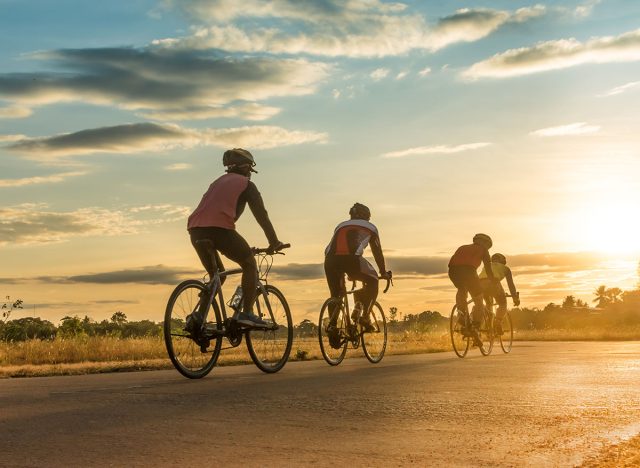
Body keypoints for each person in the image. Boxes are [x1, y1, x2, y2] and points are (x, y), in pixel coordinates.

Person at [187, 148, 286, 329]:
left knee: (217, 276)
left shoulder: (217, 182)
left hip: (195, 230)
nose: (250, 174)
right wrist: (274, 242)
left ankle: (198, 318)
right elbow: (261, 216)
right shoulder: (246, 184)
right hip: (220, 230)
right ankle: (246, 313)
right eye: (250, 170)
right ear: (246, 167)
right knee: (249, 263)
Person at [324, 203, 391, 334]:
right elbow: (377, 252)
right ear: (367, 217)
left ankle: (332, 328)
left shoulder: (340, 225)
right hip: (352, 260)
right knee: (373, 281)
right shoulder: (371, 227)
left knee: (336, 294)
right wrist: (383, 272)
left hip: (330, 260)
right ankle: (365, 316)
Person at [448, 233, 494, 344]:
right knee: (479, 300)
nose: (488, 248)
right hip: (469, 271)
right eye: (488, 246)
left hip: (453, 271)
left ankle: (461, 313)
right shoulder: (483, 250)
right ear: (485, 243)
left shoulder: (462, 247)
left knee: (461, 289)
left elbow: (453, 262)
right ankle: (476, 326)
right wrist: (492, 282)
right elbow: (488, 268)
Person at [479, 253, 520, 334]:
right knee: (502, 303)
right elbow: (510, 284)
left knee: (488, 304)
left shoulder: (487, 265)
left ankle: (486, 325)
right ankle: (497, 322)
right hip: (493, 283)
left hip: (479, 284)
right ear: (503, 261)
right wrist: (515, 298)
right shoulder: (506, 268)